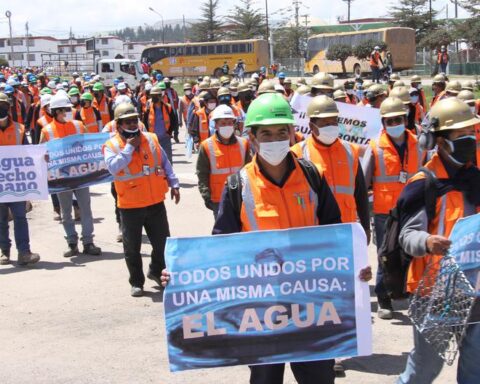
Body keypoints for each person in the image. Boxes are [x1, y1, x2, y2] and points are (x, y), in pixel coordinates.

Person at [161, 93, 372, 383]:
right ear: (253, 137)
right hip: (261, 312)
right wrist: (183, 276)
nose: (275, 139)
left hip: (312, 306)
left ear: (292, 132)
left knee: (319, 378)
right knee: (265, 379)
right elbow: (222, 250)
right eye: (267, 133)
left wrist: (356, 265)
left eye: (281, 132)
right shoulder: (238, 185)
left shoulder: (312, 177)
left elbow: (335, 234)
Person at [396, 97, 480, 384]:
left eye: (472, 133)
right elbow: (406, 236)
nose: (470, 140)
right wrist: (427, 241)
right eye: (461, 136)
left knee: (475, 372)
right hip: (436, 293)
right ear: (441, 142)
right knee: (422, 372)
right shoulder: (424, 183)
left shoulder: (476, 178)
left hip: (476, 291)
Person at [103, 102, 180, 297]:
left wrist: (174, 183)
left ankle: (156, 271)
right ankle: (136, 282)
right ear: (118, 125)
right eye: (127, 122)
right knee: (132, 248)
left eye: (134, 120)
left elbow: (164, 162)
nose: (132, 124)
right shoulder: (111, 145)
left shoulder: (151, 139)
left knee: (162, 243)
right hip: (130, 205)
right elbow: (113, 168)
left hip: (155, 201)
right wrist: (129, 148)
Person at [362, 97, 424, 320]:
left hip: (414, 209)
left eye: (398, 119)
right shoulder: (375, 146)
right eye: (389, 120)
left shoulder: (419, 143)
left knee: (414, 252)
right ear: (383, 123)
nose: (394, 123)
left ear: (405, 119)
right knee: (386, 255)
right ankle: (384, 298)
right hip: (384, 212)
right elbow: (364, 180)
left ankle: (408, 293)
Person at [291, 96, 370, 240]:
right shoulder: (298, 153)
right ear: (311, 126)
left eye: (334, 122)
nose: (331, 126)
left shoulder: (350, 151)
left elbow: (360, 193)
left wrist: (366, 227)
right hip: (315, 234)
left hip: (346, 230)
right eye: (325, 123)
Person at [39, 92, 102, 258]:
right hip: (61, 178)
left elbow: (89, 145)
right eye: (65, 109)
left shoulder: (79, 126)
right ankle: (72, 243)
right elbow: (41, 152)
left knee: (85, 209)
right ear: (56, 111)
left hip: (81, 175)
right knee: (66, 212)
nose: (68, 111)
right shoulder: (47, 131)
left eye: (68, 109)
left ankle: (88, 241)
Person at [0, 93, 40, 266]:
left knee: (20, 217)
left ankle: (24, 252)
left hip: (16, 183)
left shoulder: (19, 129)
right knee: (0, 220)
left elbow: (27, 155)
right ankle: (4, 252)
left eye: (3, 105)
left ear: (8, 108)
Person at [196, 105, 251, 218]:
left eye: (230, 123)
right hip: (219, 198)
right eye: (223, 123)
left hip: (242, 196)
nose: (227, 126)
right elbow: (202, 173)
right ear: (216, 125)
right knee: (224, 233)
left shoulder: (243, 144)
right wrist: (206, 195)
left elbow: (250, 169)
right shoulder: (206, 146)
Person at [143, 82, 177, 164]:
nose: (153, 98)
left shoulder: (168, 107)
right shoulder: (148, 109)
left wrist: (169, 132)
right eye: (152, 96)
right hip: (153, 139)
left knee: (168, 159)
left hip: (165, 138)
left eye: (155, 96)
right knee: (154, 160)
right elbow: (144, 122)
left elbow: (174, 121)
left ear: (160, 96)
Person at [163, 78, 180, 143]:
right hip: (167, 111)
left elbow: (177, 99)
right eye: (166, 83)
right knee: (168, 124)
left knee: (176, 124)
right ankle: (169, 136)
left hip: (174, 109)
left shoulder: (173, 91)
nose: (167, 84)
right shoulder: (163, 92)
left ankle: (176, 135)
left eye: (168, 83)